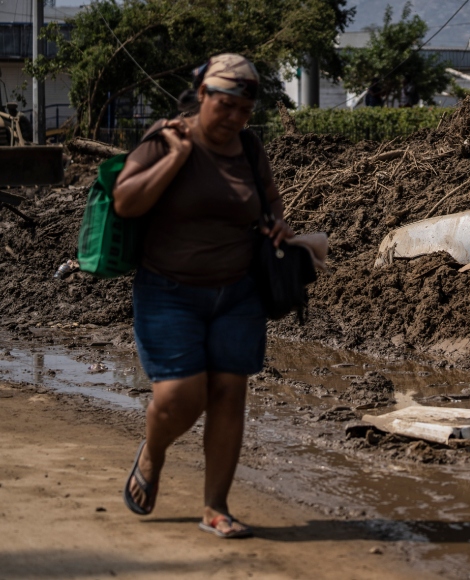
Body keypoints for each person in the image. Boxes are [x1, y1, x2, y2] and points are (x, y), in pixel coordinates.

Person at [113, 53, 293, 539]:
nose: (234, 117)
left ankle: (216, 508)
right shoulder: (167, 136)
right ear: (203, 96)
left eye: (244, 109)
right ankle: (153, 452)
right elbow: (126, 201)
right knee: (178, 399)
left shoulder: (250, 147)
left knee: (229, 394)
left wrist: (278, 224)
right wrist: (174, 158)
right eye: (225, 105)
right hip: (168, 290)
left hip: (238, 293)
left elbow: (269, 200)